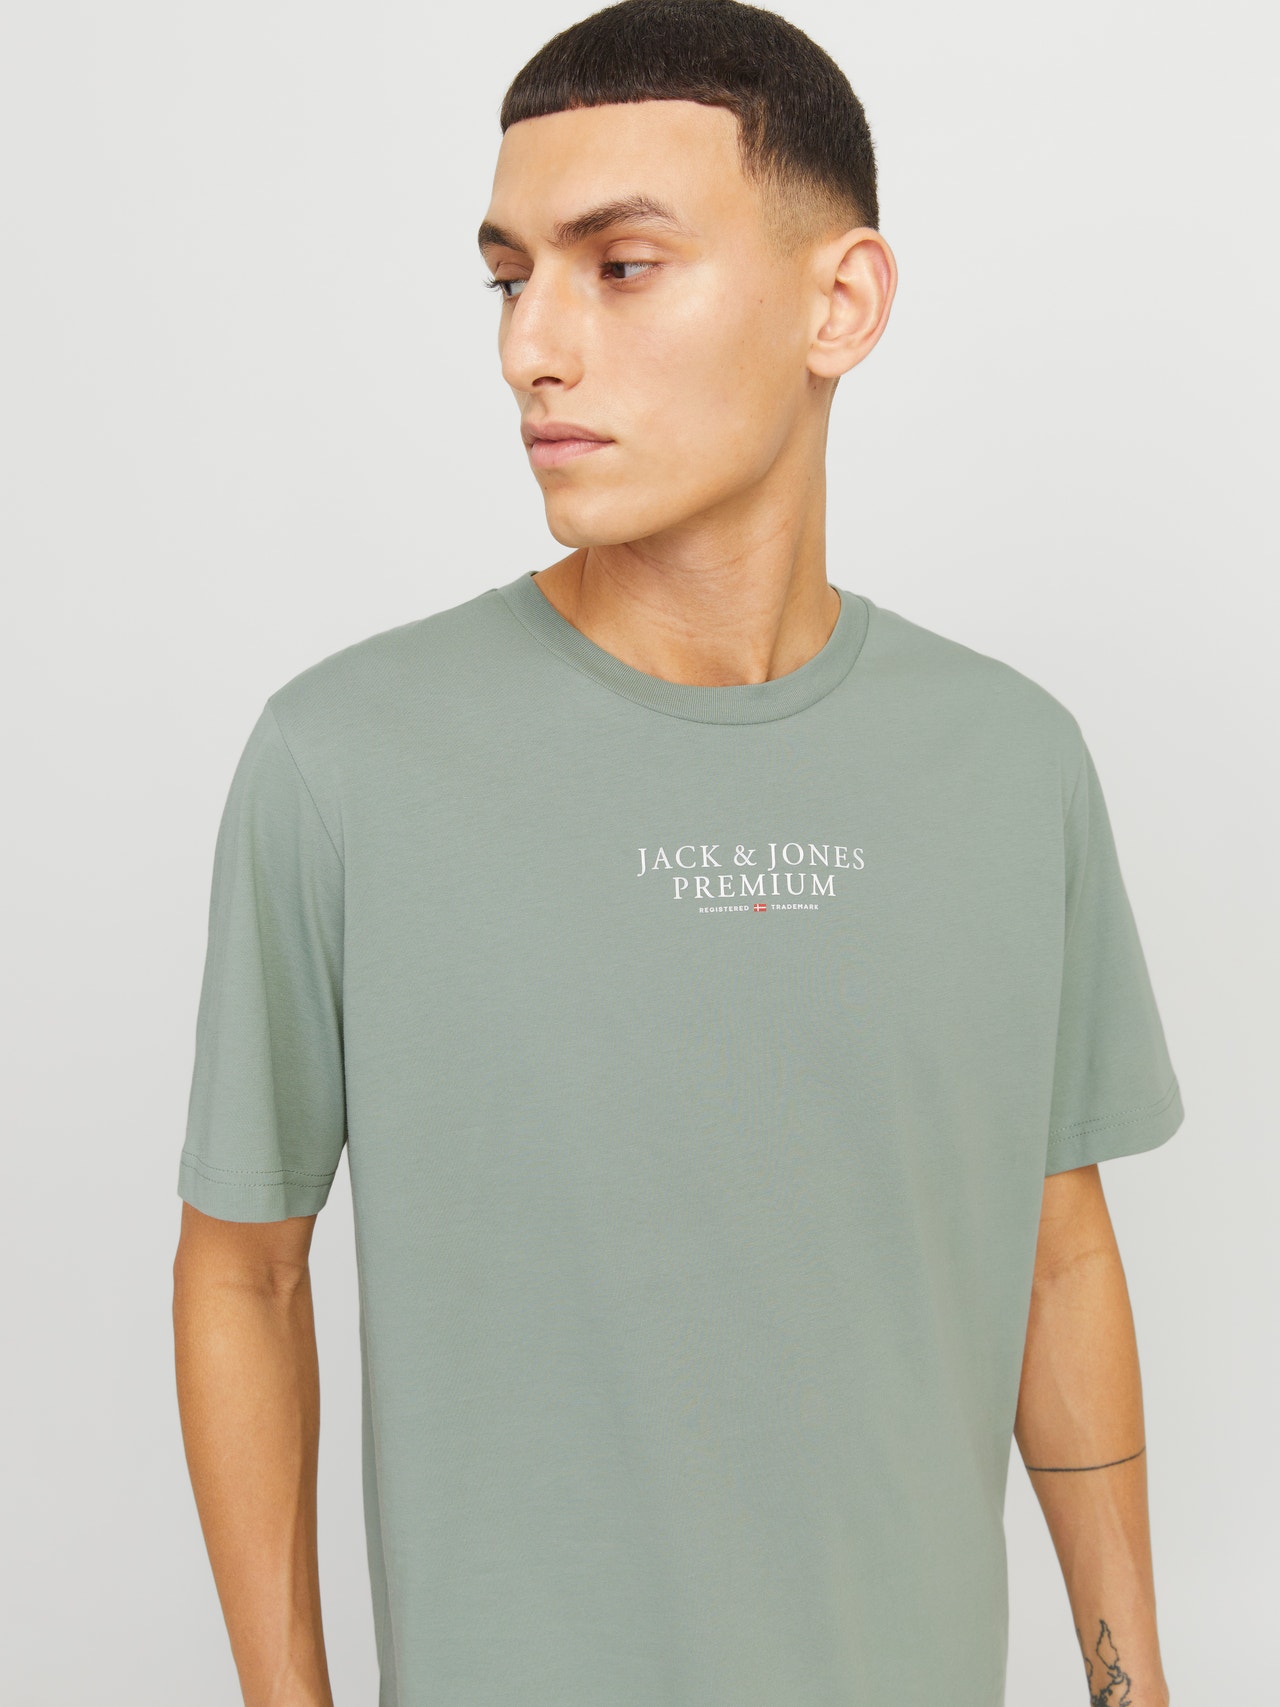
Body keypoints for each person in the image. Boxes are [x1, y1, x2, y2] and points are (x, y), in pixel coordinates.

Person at [171, 3, 1184, 1703]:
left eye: (620, 267)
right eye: (509, 278)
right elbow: (242, 1269)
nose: (530, 347)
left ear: (839, 304)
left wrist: (1131, 1682)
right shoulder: (343, 761)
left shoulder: (1012, 762)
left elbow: (1056, 1241)